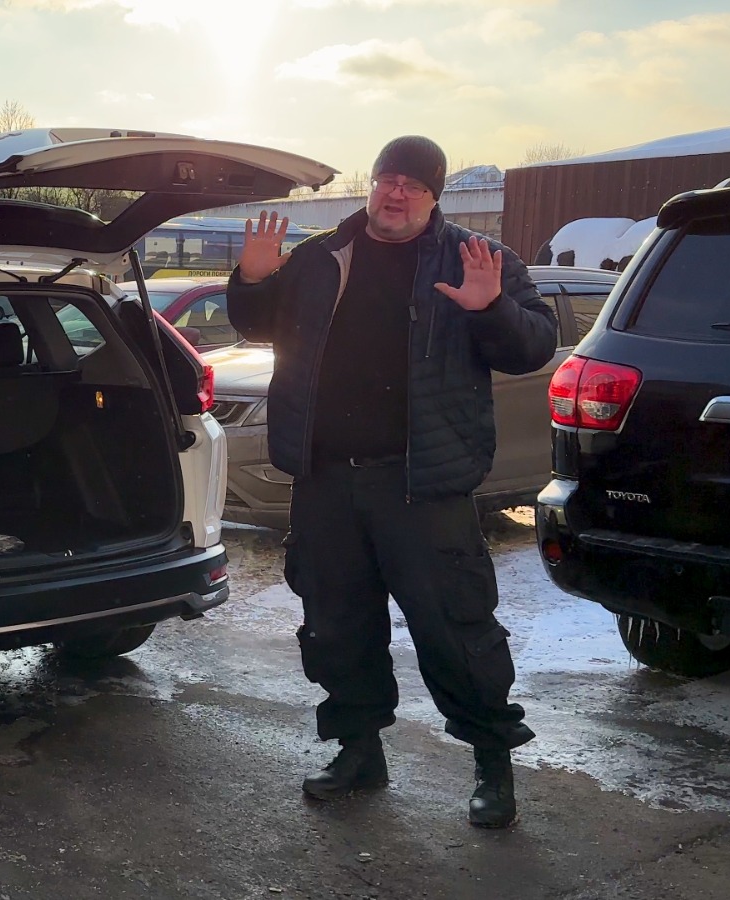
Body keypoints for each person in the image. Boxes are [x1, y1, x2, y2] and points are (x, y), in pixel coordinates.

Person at [226, 136, 555, 829]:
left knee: (456, 629)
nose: (396, 193)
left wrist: (489, 307)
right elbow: (257, 324)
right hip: (326, 481)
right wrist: (252, 279)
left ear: (434, 197)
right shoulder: (321, 256)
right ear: (373, 185)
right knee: (336, 626)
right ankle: (359, 752)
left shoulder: (474, 258)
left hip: (422, 485)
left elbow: (532, 346)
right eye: (387, 179)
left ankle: (492, 764)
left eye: (414, 184)